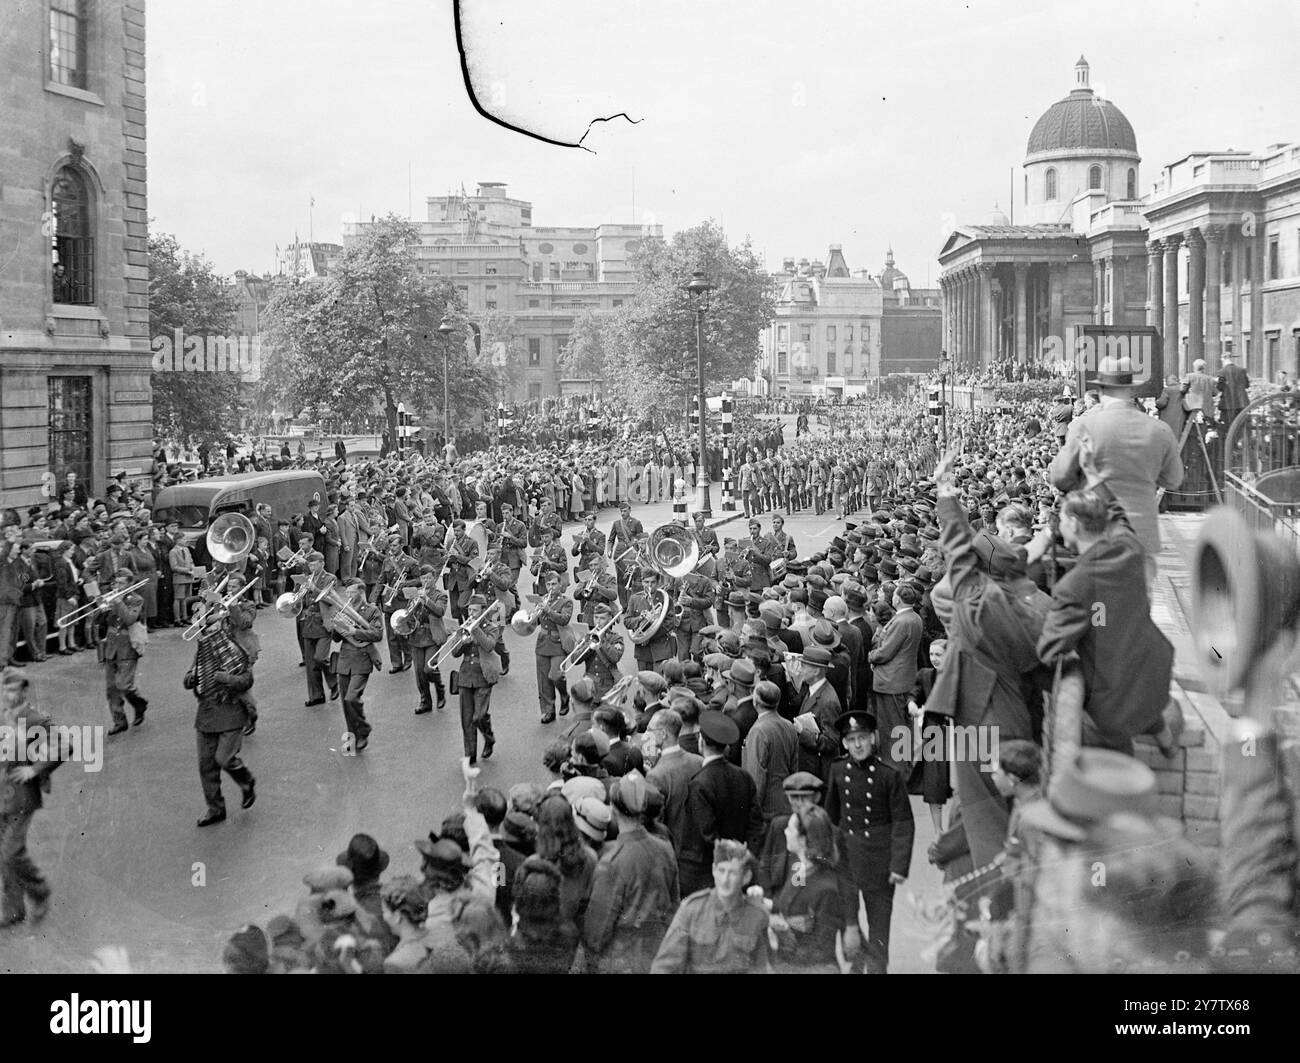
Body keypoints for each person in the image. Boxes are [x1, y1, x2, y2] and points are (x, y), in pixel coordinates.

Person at [1037, 487, 1180, 757]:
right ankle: (1166, 742)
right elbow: (1119, 517)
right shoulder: (1130, 551)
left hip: (1114, 697)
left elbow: (1050, 649)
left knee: (1106, 747)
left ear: (1075, 524)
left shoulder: (1074, 586)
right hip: (1153, 673)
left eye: (1063, 519)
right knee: (1144, 709)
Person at [1049, 355, 1183, 584]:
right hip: (1143, 539)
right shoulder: (1159, 429)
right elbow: (1174, 479)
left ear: (1100, 390)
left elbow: (1059, 477)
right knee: (1136, 611)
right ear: (1131, 391)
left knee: (1100, 611)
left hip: (1097, 536)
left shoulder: (1085, 426)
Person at [824, 710, 913, 974]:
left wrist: (899, 865)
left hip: (880, 865)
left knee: (879, 931)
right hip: (847, 862)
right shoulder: (839, 770)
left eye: (862, 738)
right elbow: (830, 817)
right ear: (844, 744)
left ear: (873, 739)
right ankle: (856, 966)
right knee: (848, 924)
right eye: (852, 740)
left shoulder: (889, 776)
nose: (858, 745)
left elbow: (903, 823)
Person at [582, 771, 680, 974]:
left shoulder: (611, 863)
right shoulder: (664, 848)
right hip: (659, 958)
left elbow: (596, 935)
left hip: (622, 963)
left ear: (614, 810)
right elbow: (674, 906)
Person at [677, 711, 764, 897]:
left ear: (701, 741)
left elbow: (706, 834)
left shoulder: (699, 784)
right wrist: (745, 858)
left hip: (708, 871)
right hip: (738, 868)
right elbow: (756, 825)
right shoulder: (744, 777)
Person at [651, 839, 771, 974]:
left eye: (732, 873)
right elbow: (665, 966)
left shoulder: (757, 916)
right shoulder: (692, 909)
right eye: (721, 870)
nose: (725, 880)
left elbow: (762, 967)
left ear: (746, 877)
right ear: (714, 870)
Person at [0, 670, 60, 927]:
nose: (7, 695)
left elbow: (63, 746)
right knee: (3, 853)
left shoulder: (35, 719)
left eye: (12, 690)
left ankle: (40, 890)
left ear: (24, 691)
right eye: (4, 690)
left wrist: (35, 770)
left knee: (11, 852)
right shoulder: (3, 717)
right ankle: (13, 909)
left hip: (22, 796)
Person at [184, 617, 256, 827]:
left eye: (214, 626)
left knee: (224, 759)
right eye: (206, 628)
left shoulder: (237, 649)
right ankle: (215, 809)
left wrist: (226, 678)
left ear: (224, 626)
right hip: (207, 713)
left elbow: (246, 681)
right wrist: (189, 679)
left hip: (231, 710)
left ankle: (246, 781)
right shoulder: (203, 650)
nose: (209, 631)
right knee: (206, 765)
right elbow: (191, 672)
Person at [767, 805, 847, 972]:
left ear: (803, 839)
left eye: (790, 829)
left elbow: (821, 951)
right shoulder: (799, 867)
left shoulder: (827, 890)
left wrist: (780, 937)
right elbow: (789, 903)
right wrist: (766, 904)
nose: (785, 832)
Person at [330, 578, 384, 752]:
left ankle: (363, 729)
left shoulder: (372, 610)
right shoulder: (344, 609)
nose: (348, 596)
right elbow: (336, 638)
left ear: (361, 592)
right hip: (345, 659)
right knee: (345, 703)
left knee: (351, 698)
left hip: (362, 659)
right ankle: (353, 737)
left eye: (352, 592)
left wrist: (356, 631)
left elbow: (377, 635)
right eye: (347, 592)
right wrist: (336, 626)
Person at [645, 707, 704, 857]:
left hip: (673, 851)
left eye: (650, 729)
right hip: (699, 847)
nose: (647, 733)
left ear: (663, 734)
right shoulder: (699, 761)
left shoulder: (656, 775)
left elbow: (655, 824)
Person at [451, 594, 502, 765]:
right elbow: (455, 652)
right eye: (469, 610)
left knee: (479, 717)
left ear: (483, 612)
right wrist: (464, 639)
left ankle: (489, 738)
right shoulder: (464, 627)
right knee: (467, 719)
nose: (471, 613)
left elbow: (489, 646)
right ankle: (470, 754)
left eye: (474, 610)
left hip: (484, 675)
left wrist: (476, 629)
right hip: (466, 675)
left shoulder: (492, 627)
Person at [97, 568, 149, 735]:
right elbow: (101, 622)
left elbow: (129, 619)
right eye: (115, 583)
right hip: (112, 644)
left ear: (129, 584)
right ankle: (119, 722)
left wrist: (118, 602)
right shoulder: (112, 598)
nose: (116, 586)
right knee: (112, 688)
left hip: (128, 645)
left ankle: (139, 704)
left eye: (120, 583)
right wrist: (102, 608)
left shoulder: (136, 600)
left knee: (124, 685)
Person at [742, 680, 800, 824]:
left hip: (767, 807)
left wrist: (754, 809)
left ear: (756, 702)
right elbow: (794, 767)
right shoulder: (789, 726)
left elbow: (757, 774)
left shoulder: (758, 731)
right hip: (786, 801)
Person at [406, 565, 449, 715]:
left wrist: (427, 600)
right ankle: (425, 700)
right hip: (417, 635)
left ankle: (440, 688)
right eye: (423, 578)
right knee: (419, 672)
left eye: (429, 578)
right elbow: (408, 614)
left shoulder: (440, 595)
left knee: (429, 668)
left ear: (434, 578)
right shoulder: (415, 594)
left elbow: (439, 612)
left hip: (433, 635)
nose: (426, 581)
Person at [533, 570, 574, 724]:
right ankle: (548, 711)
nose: (551, 587)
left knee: (555, 675)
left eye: (554, 584)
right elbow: (537, 622)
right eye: (548, 584)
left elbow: (564, 619)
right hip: (543, 641)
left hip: (558, 642)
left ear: (560, 584)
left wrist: (548, 610)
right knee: (544, 680)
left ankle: (564, 695)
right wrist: (532, 617)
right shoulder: (543, 600)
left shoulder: (566, 602)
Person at [1215, 350, 1251, 431]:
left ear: (1224, 359)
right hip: (1242, 403)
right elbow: (1247, 385)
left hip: (1228, 404)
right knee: (1241, 426)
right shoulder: (1242, 370)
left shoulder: (1221, 372)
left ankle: (1230, 443)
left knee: (1228, 428)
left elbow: (1220, 387)